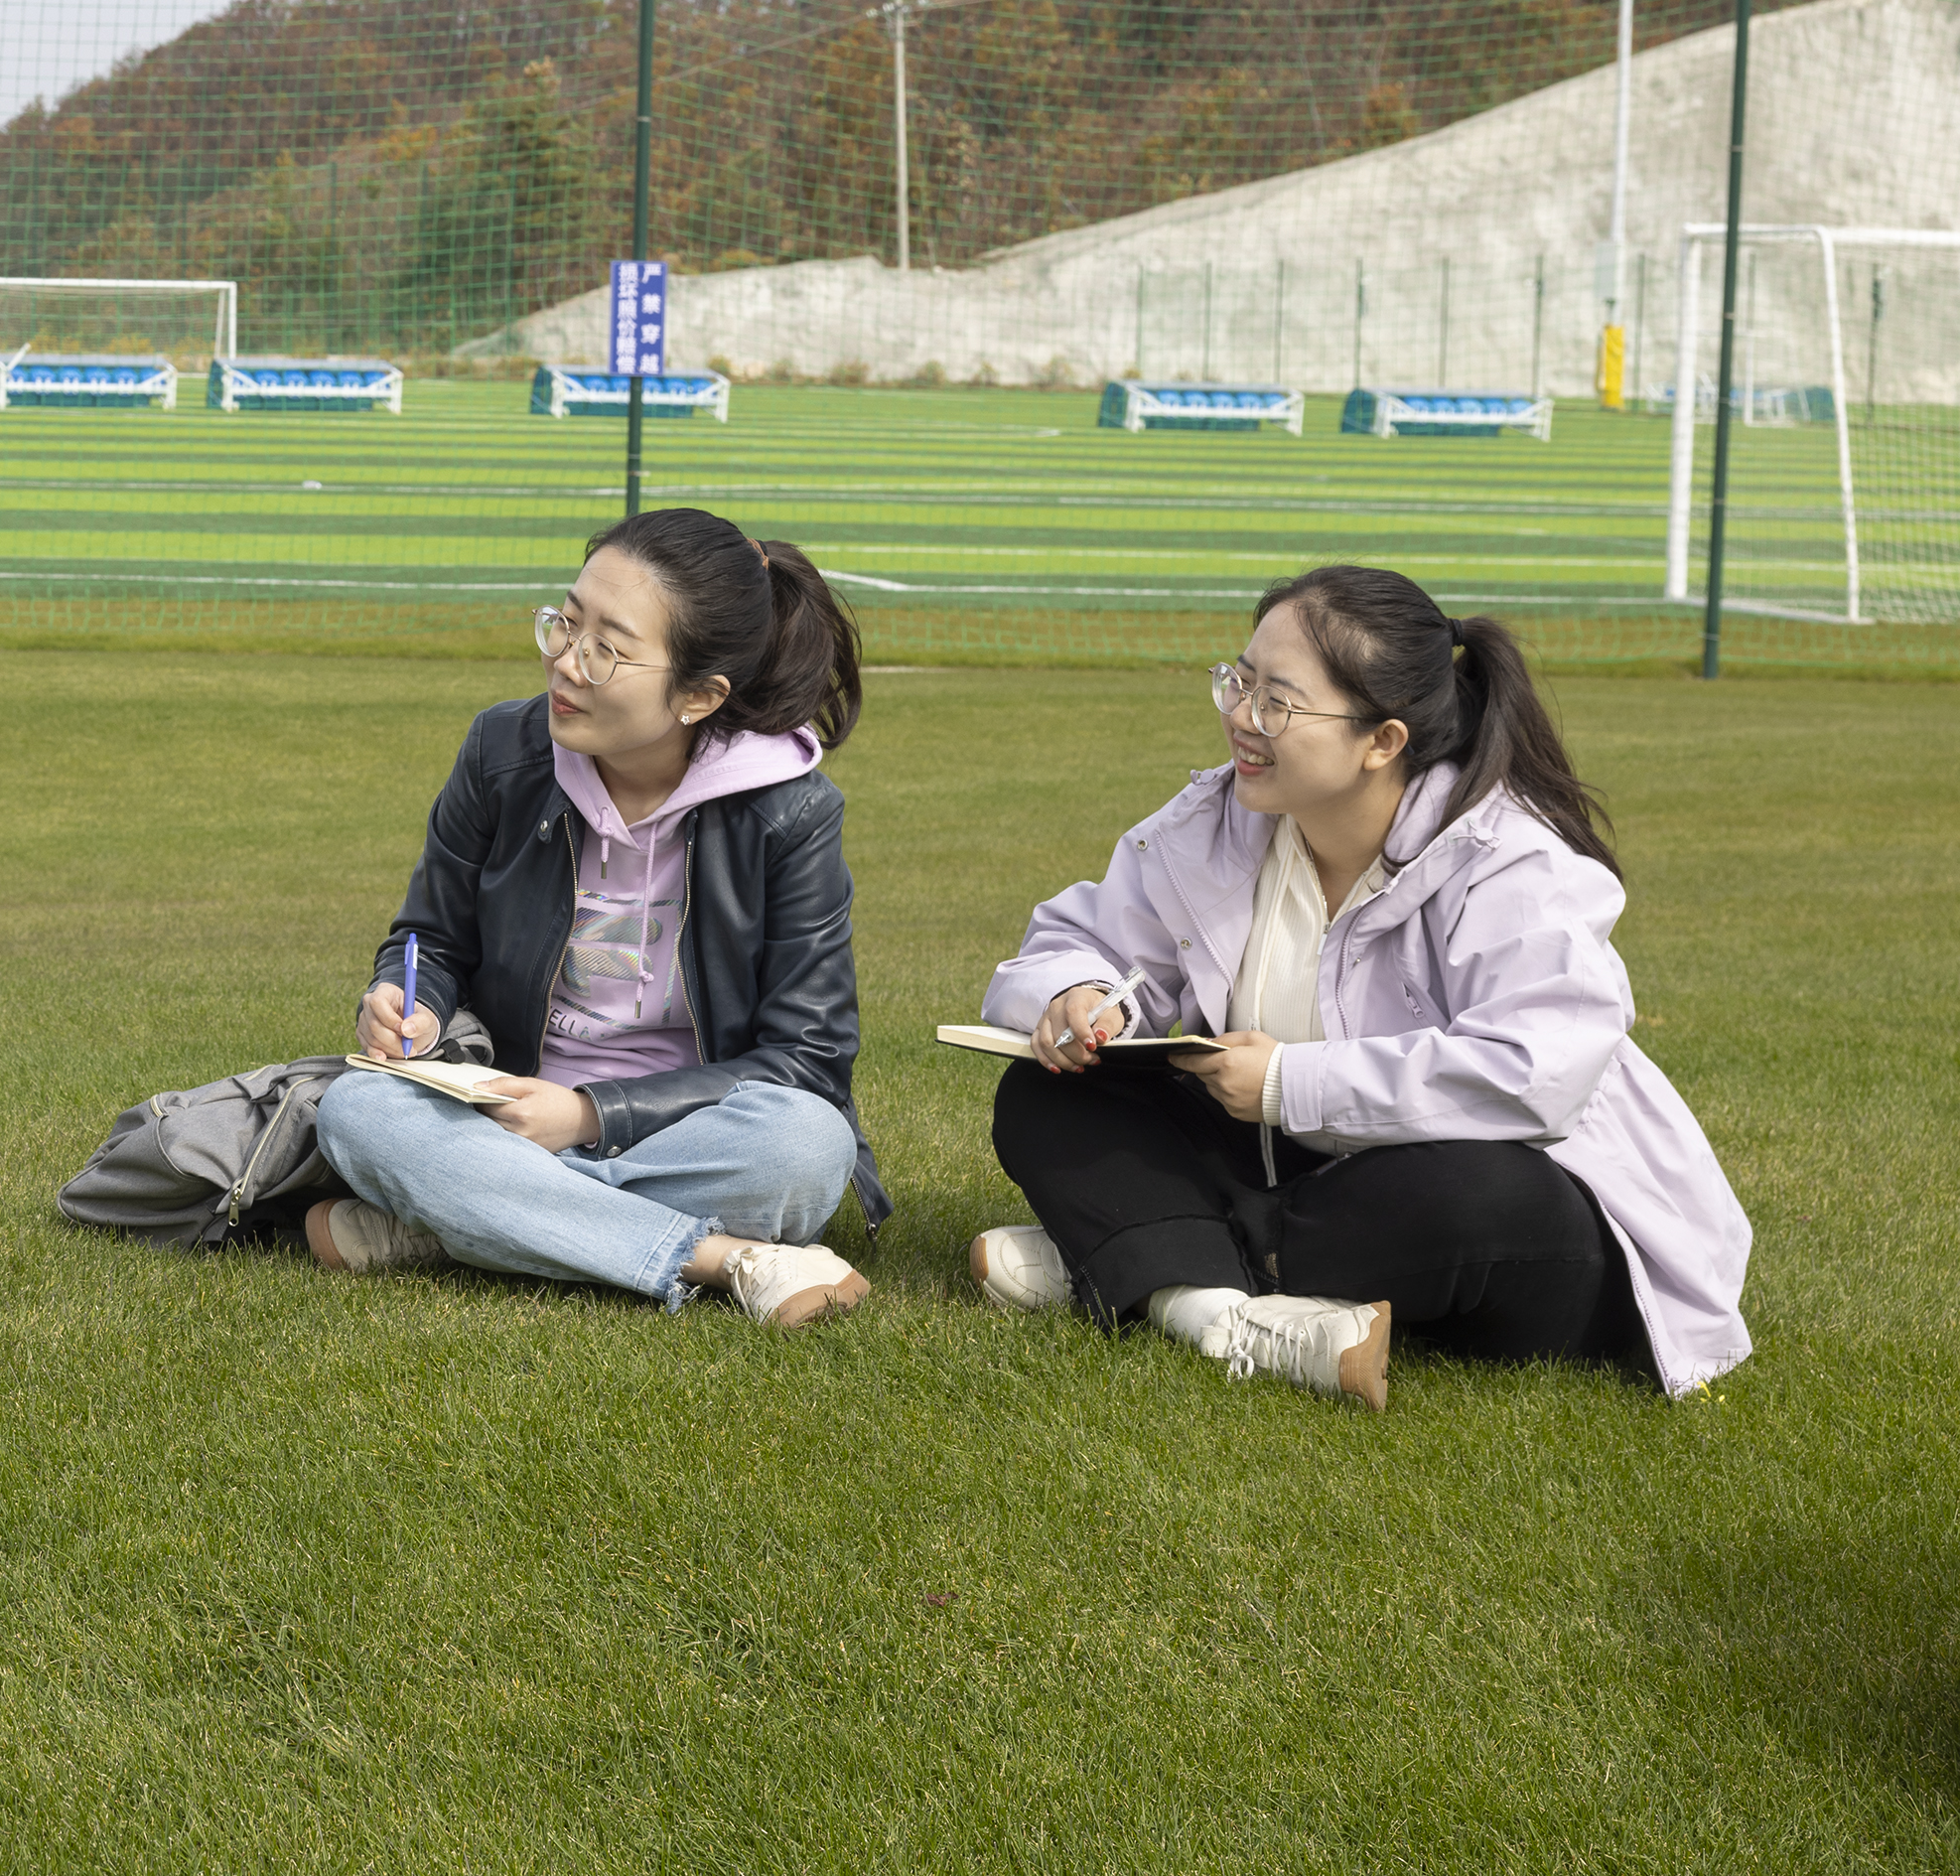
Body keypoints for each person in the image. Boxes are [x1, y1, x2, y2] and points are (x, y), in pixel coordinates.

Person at [971, 564, 1751, 1409]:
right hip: (1295, 1180)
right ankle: (1216, 1311)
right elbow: (1081, 942)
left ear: (1383, 741)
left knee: (1468, 1197)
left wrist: (1285, 1083)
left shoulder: (1507, 860)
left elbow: (1537, 1076)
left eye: (1278, 700)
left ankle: (1137, 1255)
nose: (1241, 716)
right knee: (1046, 1098)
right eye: (1239, 680)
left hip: (1509, 1220)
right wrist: (1077, 996)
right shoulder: (1217, 824)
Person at [308, 506, 889, 1324]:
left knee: (807, 1145)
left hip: (687, 1128)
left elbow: (807, 1060)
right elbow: (428, 938)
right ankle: (723, 1258)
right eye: (564, 623)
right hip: (505, 1108)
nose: (565, 664)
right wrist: (413, 998)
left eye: (606, 648)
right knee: (359, 1111)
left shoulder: (789, 813)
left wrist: (587, 1116)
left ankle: (455, 1224)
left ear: (698, 695)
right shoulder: (501, 753)